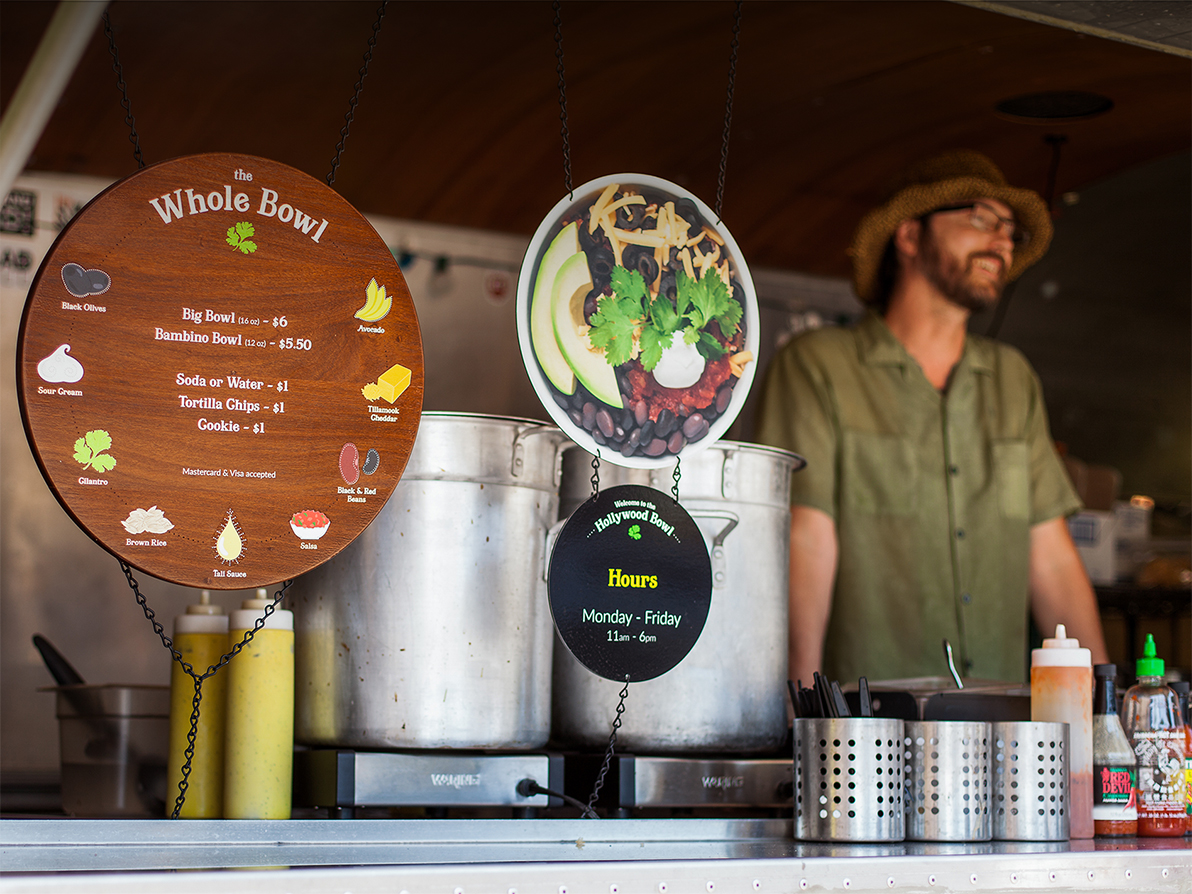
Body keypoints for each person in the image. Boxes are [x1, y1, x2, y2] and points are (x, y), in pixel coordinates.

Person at [756, 150, 1109, 686]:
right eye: (978, 218)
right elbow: (804, 539)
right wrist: (797, 709)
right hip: (868, 732)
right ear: (909, 236)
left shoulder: (1013, 379)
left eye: (1009, 229)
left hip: (1003, 731)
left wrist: (1103, 714)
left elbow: (1053, 559)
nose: (1001, 241)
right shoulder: (820, 364)